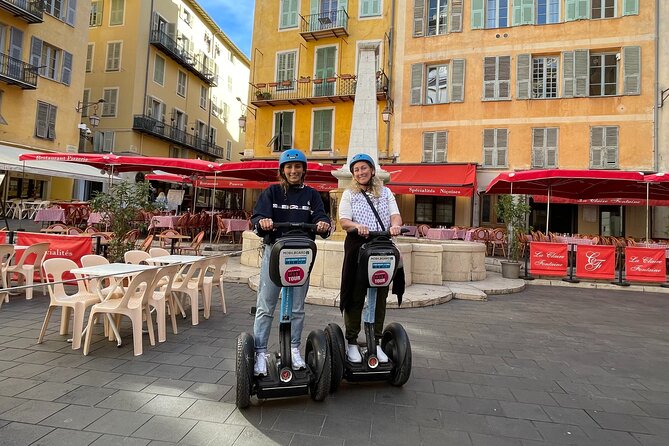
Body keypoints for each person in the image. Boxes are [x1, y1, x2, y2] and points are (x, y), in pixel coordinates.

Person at [250, 149, 331, 376]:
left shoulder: (312, 195)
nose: (293, 171)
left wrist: (323, 224)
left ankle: (294, 348)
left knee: (297, 308)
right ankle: (260, 352)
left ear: (304, 170)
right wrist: (263, 221)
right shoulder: (272, 192)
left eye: (298, 167)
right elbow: (256, 219)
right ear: (282, 170)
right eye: (289, 167)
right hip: (275, 253)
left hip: (299, 255)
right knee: (266, 306)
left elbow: (321, 217)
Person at [338, 153, 403, 363]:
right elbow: (344, 221)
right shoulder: (349, 194)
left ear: (372, 170)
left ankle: (375, 339)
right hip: (358, 247)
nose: (360, 172)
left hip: (381, 245)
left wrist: (395, 225)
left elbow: (395, 215)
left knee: (380, 294)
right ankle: (352, 342)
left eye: (364, 168)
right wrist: (357, 226)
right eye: (356, 170)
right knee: (356, 294)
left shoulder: (386, 192)